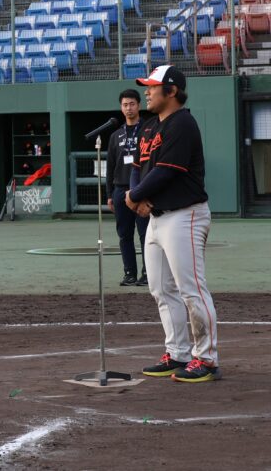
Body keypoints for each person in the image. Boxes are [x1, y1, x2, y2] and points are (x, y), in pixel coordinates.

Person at [127, 66, 220, 383]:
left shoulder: (183, 123)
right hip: (157, 217)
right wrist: (138, 197)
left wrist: (134, 197)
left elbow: (167, 171)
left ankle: (206, 359)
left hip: (185, 215)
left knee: (191, 290)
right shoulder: (149, 127)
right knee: (161, 289)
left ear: (172, 90)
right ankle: (178, 352)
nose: (147, 91)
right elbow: (138, 169)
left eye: (153, 87)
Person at [106, 89, 149, 287]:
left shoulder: (148, 130)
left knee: (146, 234)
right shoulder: (115, 136)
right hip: (120, 190)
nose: (128, 108)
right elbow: (110, 166)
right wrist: (109, 194)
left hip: (142, 189)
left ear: (138, 105)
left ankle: (147, 274)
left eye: (132, 104)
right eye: (125, 105)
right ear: (121, 108)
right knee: (124, 234)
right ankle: (129, 273)